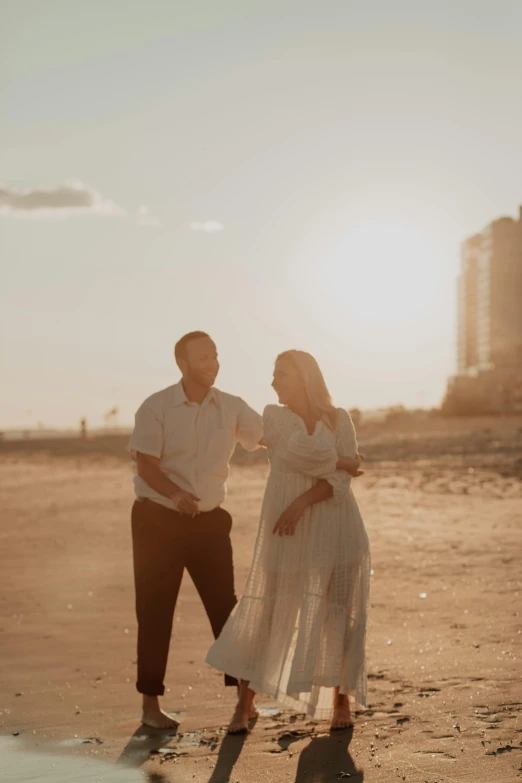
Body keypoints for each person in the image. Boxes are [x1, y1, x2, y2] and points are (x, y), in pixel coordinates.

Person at [206, 350, 370, 732]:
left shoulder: (339, 417)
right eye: (274, 373)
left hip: (338, 525)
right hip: (286, 529)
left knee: (339, 617)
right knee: (265, 612)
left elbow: (341, 482)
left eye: (281, 374)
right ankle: (243, 705)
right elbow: (301, 455)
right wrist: (343, 460)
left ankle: (340, 702)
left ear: (305, 378)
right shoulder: (273, 416)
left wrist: (303, 500)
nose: (273, 381)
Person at [129, 331, 266, 729]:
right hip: (157, 521)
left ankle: (245, 699)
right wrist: (176, 495)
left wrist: (326, 446)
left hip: (208, 523)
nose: (212, 363)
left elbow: (269, 438)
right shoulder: (156, 407)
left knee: (226, 609)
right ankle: (150, 708)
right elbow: (146, 466)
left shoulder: (232, 407)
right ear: (182, 364)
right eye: (202, 358)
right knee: (154, 612)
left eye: (215, 356)